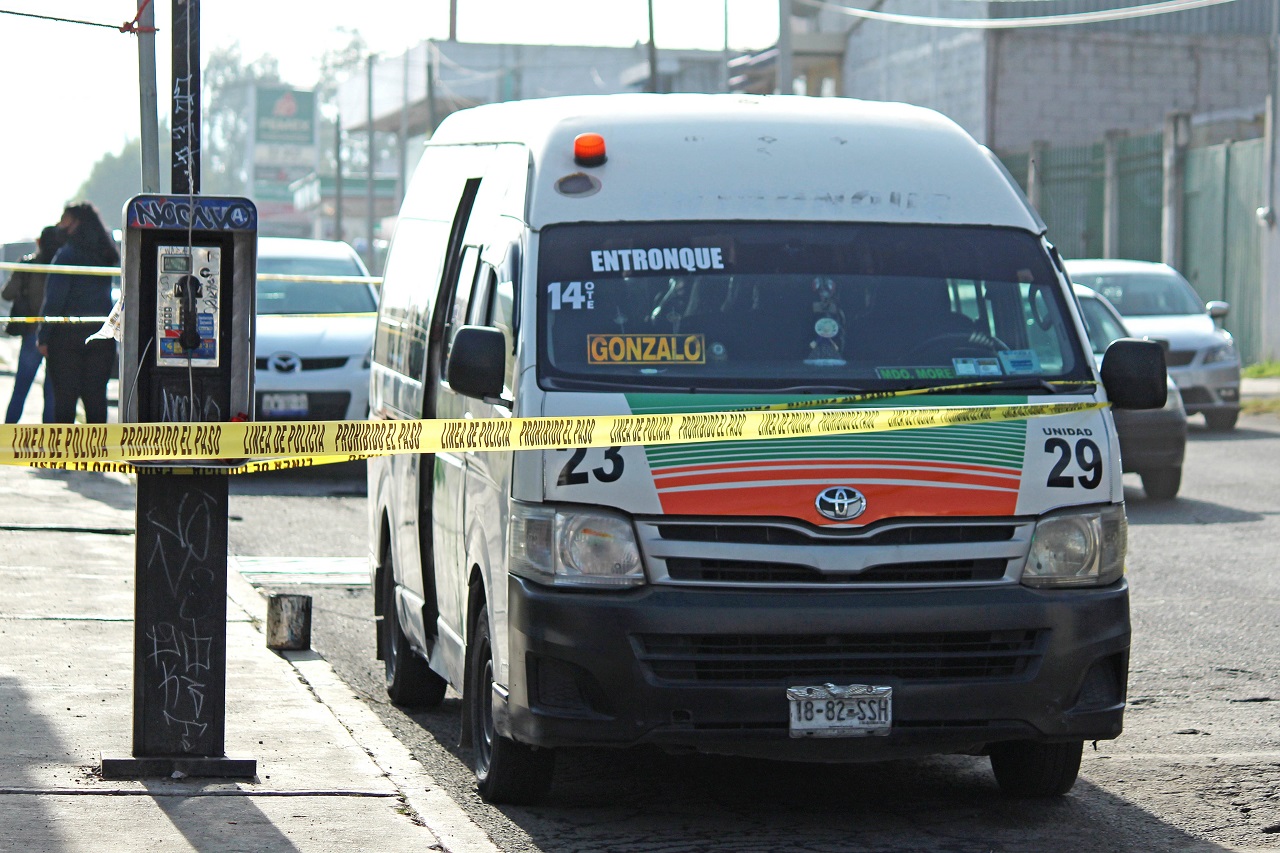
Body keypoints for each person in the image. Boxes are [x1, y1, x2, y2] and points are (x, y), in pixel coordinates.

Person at [37, 202, 118, 424]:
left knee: (64, 403)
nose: (59, 226)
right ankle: (98, 454)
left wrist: (43, 336)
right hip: (101, 338)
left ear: (75, 224)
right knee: (96, 402)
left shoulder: (67, 255)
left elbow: (54, 299)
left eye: (64, 220)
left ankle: (63, 455)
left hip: (66, 340)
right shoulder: (104, 255)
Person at [3, 225, 62, 423]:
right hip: (55, 336)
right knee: (52, 395)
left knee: (20, 389)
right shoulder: (62, 266)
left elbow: (6, 293)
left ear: (39, 242)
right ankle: (48, 441)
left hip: (31, 334)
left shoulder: (28, 266)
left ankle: (7, 437)